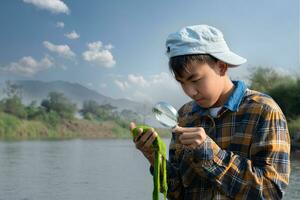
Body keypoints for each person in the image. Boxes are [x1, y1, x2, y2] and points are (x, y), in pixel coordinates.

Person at [130, 25, 290, 199]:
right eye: (181, 82)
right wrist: (154, 157)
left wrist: (210, 155)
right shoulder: (185, 115)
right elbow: (177, 193)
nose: (190, 91)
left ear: (222, 67)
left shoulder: (264, 110)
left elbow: (271, 193)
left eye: (195, 79)